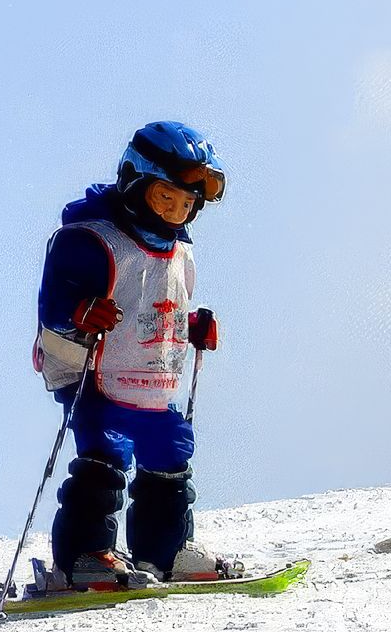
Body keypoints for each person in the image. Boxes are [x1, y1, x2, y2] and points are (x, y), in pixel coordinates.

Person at [31, 122, 237, 591]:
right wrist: (80, 312)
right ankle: (84, 556)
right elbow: (55, 303)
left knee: (171, 449)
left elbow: (162, 308)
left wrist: (193, 327)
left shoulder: (179, 252)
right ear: (134, 181)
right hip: (94, 375)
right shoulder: (89, 239)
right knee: (107, 455)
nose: (175, 211)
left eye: (187, 204)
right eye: (165, 197)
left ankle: (164, 554)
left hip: (151, 382)